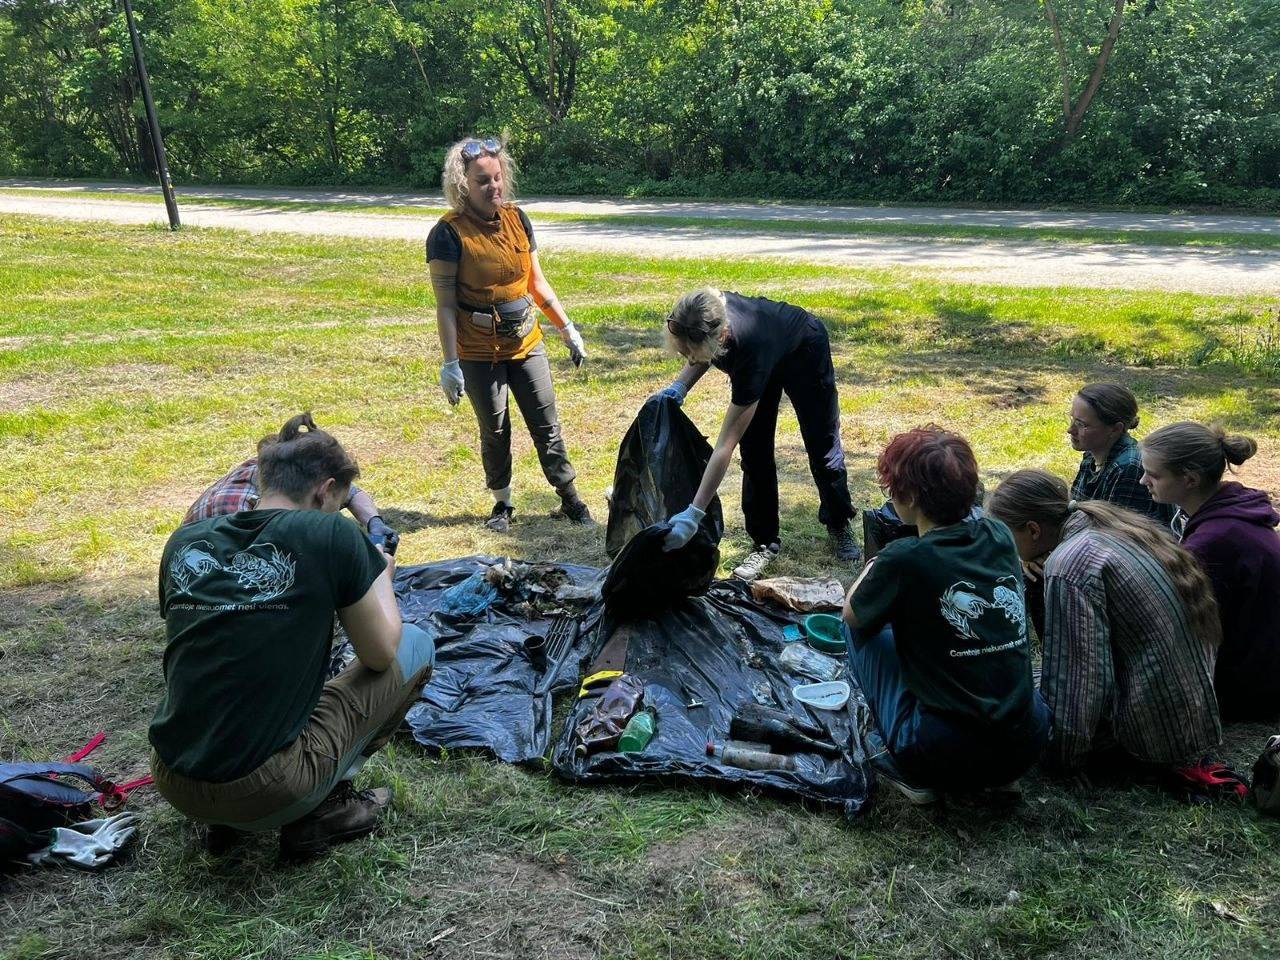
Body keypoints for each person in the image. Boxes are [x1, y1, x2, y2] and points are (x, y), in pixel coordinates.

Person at [150, 421, 435, 860]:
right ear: (325, 491)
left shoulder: (184, 540)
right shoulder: (330, 534)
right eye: (338, 504)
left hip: (174, 779)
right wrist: (380, 579)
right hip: (267, 788)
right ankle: (325, 808)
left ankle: (221, 824)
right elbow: (380, 654)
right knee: (414, 644)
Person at [841, 427, 1049, 805]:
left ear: (911, 496)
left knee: (859, 630)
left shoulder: (904, 558)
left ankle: (913, 775)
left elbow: (854, 617)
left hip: (940, 753)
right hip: (1025, 741)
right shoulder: (1000, 534)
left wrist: (874, 565)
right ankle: (999, 779)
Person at [987, 470, 1221, 774]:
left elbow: (1080, 678)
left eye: (1006, 536)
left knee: (1007, 695)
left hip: (1146, 737)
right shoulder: (1108, 525)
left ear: (1033, 530)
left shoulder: (1068, 564)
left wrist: (1061, 757)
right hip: (1188, 712)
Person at [426, 136, 591, 533]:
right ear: (462, 184)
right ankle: (502, 504)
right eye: (482, 180)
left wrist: (566, 327)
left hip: (525, 342)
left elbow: (537, 282)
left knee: (546, 422)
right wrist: (450, 363)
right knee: (495, 428)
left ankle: (570, 497)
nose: (493, 187)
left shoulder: (518, 219)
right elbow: (445, 305)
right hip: (478, 350)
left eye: (497, 178)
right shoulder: (447, 234)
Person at [657, 287, 859, 580]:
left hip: (805, 351)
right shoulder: (702, 311)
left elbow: (724, 445)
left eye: (690, 353)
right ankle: (765, 542)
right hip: (761, 351)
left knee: (822, 444)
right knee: (755, 452)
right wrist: (680, 386)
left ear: (721, 338)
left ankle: (839, 521)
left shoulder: (747, 347)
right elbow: (698, 350)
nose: (688, 358)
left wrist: (694, 513)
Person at [1139, 422, 1280, 722]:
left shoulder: (1213, 541)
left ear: (1189, 479)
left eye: (1153, 475)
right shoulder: (1230, 508)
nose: (1142, 481)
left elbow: (1181, 625)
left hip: (1250, 687)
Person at [184, 412, 399, 550]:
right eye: (332, 512)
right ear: (323, 492)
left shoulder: (280, 468)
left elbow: (349, 493)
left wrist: (374, 522)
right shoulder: (238, 519)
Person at [1067, 382, 1173, 524]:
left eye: (1081, 424)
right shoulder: (1091, 456)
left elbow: (1114, 536)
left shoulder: (1128, 468)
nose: (1070, 430)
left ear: (1115, 429)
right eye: (1072, 419)